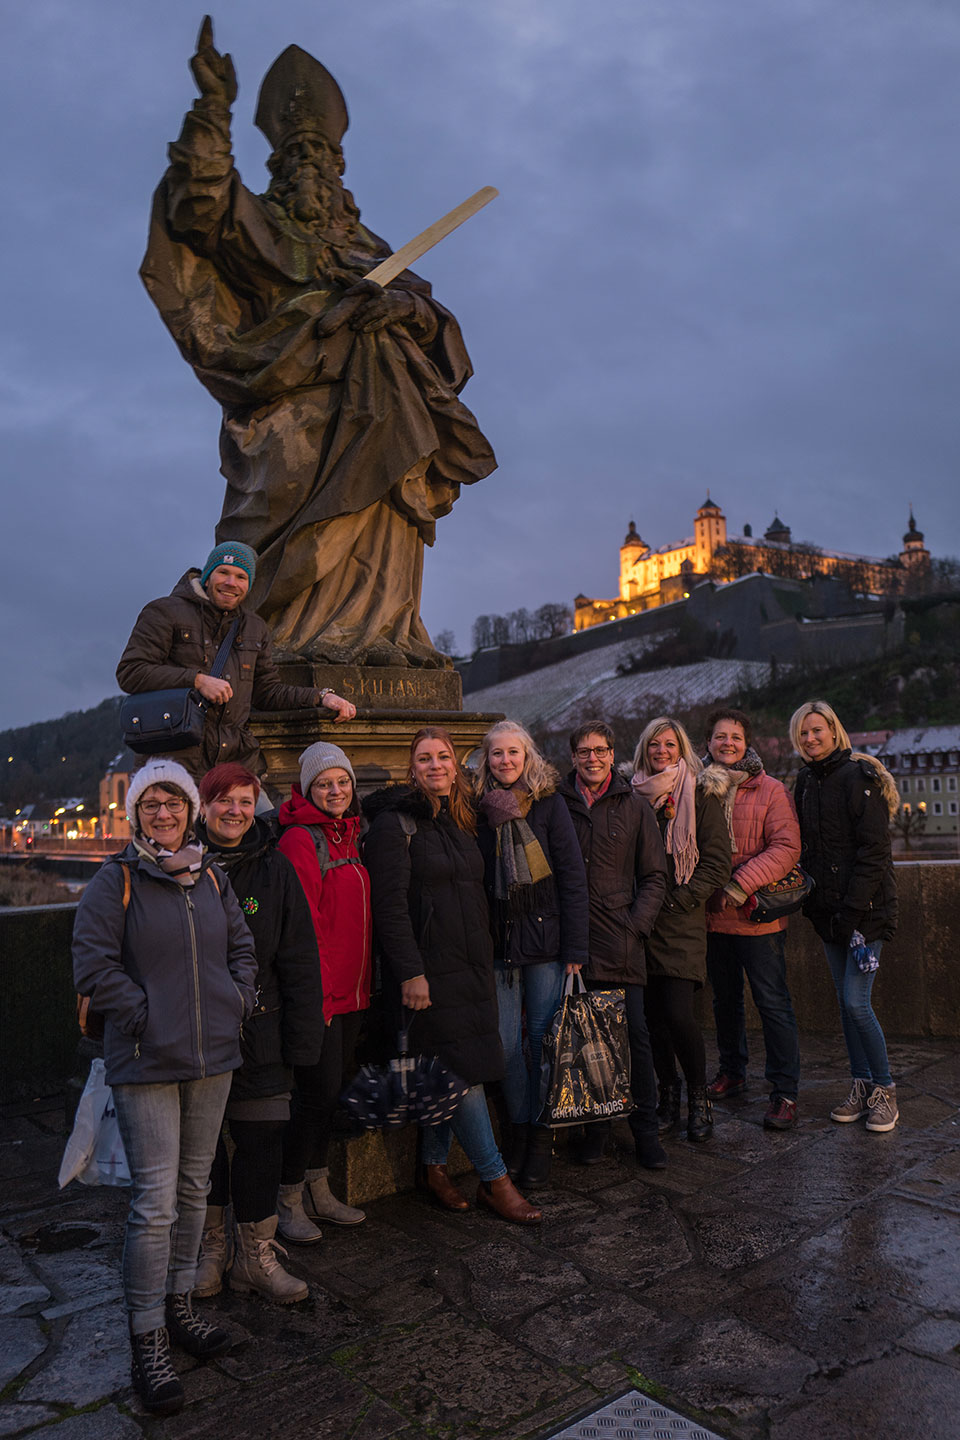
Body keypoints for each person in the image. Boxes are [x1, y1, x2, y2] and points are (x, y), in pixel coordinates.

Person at [140, 21, 496, 667]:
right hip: (287, 399)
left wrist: (399, 306)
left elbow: (433, 319)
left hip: (383, 405)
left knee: (389, 486)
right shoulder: (263, 228)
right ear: (276, 171)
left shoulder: (369, 250)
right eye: (296, 159)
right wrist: (213, 112)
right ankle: (276, 644)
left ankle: (383, 635)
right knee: (278, 484)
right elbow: (200, 208)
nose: (311, 170)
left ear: (339, 172)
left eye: (321, 159)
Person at [71, 759, 257, 1416]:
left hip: (213, 1058)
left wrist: (238, 998)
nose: (165, 814)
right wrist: (148, 1014)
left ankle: (180, 1309)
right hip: (147, 1060)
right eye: (151, 804)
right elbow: (93, 965)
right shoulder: (113, 880)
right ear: (136, 813)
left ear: (189, 809)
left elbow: (241, 947)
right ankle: (147, 1335)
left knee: (194, 1187)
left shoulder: (209, 877)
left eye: (174, 802)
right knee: (154, 1202)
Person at [364, 726, 541, 1223]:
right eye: (425, 759)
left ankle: (433, 1167)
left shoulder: (459, 819)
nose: (436, 765)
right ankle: (496, 1180)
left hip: (471, 968)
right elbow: (390, 909)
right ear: (411, 768)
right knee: (461, 1075)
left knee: (448, 1069)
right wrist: (410, 973)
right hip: (430, 973)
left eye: (443, 756)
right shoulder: (394, 824)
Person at [193, 763, 325, 1304]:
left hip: (262, 1031)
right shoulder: (182, 865)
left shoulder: (274, 870)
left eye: (245, 802)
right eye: (223, 801)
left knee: (262, 1140)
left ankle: (255, 1256)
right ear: (203, 807)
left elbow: (298, 958)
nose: (234, 812)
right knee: (204, 1149)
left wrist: (302, 1040)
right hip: (195, 1034)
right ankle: (209, 1249)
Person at [117, 542, 355, 781]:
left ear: (249, 585)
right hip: (173, 765)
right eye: (223, 572)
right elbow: (131, 672)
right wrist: (197, 681)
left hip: (234, 766)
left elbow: (267, 692)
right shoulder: (165, 611)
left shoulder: (254, 627)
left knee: (263, 818)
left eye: (241, 576)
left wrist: (321, 696)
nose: (231, 582)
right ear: (208, 576)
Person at [475, 721, 589, 1188]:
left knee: (544, 1042)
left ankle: (540, 1140)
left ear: (528, 757)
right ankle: (519, 1130)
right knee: (504, 1047)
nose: (505, 761)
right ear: (487, 760)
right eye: (497, 754)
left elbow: (571, 877)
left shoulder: (549, 803)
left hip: (545, 941)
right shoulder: (476, 809)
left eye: (513, 753)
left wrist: (576, 948)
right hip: (500, 944)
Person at [558, 721, 668, 1169]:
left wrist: (635, 926)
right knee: (587, 1040)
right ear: (572, 758)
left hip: (622, 942)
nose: (592, 758)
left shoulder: (633, 805)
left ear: (612, 754)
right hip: (575, 946)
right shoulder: (557, 804)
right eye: (584, 751)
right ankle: (596, 1130)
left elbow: (655, 876)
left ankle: (646, 1133)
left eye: (600, 751)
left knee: (636, 1041)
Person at [275, 742, 372, 1240]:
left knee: (328, 1097)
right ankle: (287, 1197)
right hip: (324, 996)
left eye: (342, 782)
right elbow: (305, 927)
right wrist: (322, 998)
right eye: (324, 784)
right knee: (314, 1097)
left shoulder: (349, 832)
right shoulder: (300, 840)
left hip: (353, 993)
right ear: (308, 788)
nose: (336, 791)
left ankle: (319, 1188)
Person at [790, 701, 900, 1131]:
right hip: (828, 913)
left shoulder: (859, 777)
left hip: (865, 913)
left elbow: (875, 853)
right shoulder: (803, 781)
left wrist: (852, 912)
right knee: (845, 1003)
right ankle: (861, 1084)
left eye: (817, 730)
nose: (811, 738)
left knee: (857, 1003)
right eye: (803, 733)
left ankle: (885, 1090)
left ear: (834, 731)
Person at [631, 717, 732, 1143]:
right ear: (644, 750)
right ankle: (668, 1096)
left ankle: (698, 1099)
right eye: (654, 744)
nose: (661, 751)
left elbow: (716, 862)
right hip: (638, 923)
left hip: (679, 921)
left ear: (682, 748)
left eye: (670, 744)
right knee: (650, 1020)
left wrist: (679, 900)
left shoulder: (701, 793)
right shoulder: (631, 794)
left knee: (677, 1014)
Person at [702, 708, 803, 1131]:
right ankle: (733, 1071)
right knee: (725, 1002)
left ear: (747, 744)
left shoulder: (771, 788)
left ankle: (784, 1092)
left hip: (754, 916)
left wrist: (737, 886)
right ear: (707, 743)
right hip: (711, 919)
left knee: (772, 1003)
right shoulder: (696, 786)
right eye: (720, 736)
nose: (727, 743)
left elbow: (786, 848)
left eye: (735, 737)